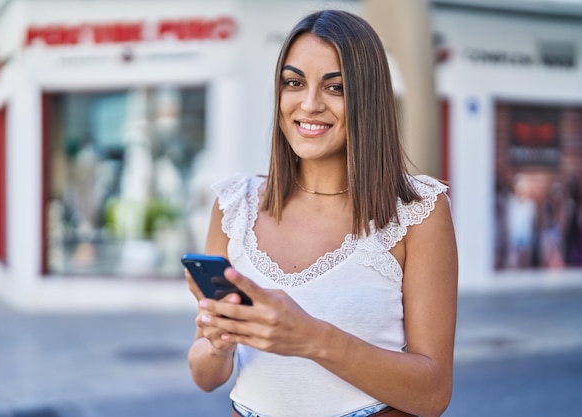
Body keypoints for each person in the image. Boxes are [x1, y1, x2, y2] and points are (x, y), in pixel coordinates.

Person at [184, 9, 458, 417]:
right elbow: (205, 374)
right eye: (293, 83)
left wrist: (310, 337)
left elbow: (433, 394)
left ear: (368, 99)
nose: (308, 105)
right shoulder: (234, 204)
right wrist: (219, 345)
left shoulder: (419, 212)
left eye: (336, 88)